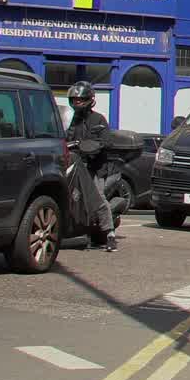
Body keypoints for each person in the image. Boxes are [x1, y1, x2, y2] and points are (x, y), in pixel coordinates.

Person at [64, 82, 119, 252]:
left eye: (80, 100)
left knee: (98, 198)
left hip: (96, 166)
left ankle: (110, 235)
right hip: (77, 164)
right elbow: (67, 139)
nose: (77, 103)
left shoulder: (98, 119)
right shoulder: (73, 120)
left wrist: (90, 146)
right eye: (74, 100)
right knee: (73, 198)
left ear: (89, 100)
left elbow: (106, 142)